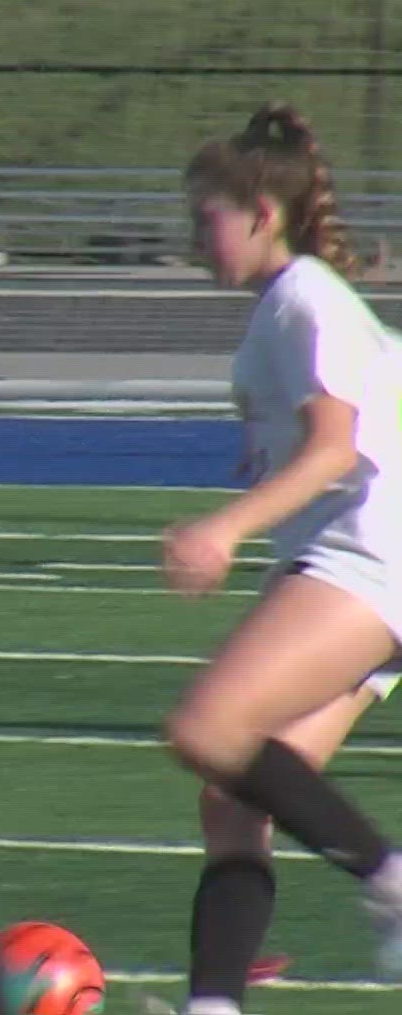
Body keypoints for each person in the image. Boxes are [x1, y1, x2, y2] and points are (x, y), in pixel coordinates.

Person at [157, 102, 402, 1015]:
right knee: (232, 800)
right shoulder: (291, 307)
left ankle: (390, 881)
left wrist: (224, 528)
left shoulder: (305, 298)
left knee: (206, 730)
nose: (194, 237)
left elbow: (337, 450)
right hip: (354, 559)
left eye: (205, 216)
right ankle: (211, 1006)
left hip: (370, 560)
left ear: (262, 212)